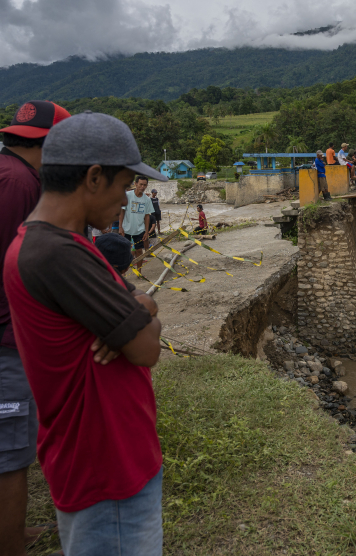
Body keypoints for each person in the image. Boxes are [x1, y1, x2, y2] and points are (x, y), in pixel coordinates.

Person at [3, 111, 165, 556]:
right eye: (124, 183)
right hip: (106, 470)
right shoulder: (57, 255)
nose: (127, 197)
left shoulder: (70, 244)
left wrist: (140, 310)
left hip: (114, 460)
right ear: (95, 177)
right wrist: (138, 316)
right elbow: (148, 347)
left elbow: (143, 304)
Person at [0, 100, 71, 556]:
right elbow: (20, 258)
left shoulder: (9, 173)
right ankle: (11, 544)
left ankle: (15, 530)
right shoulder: (19, 183)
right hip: (7, 335)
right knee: (11, 455)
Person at [119, 175, 153, 270]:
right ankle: (123, 273)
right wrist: (120, 227)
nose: (142, 187)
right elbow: (122, 211)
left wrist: (146, 232)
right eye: (141, 184)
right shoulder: (127, 195)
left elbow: (147, 216)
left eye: (145, 185)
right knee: (125, 251)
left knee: (139, 250)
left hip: (139, 229)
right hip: (126, 229)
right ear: (135, 184)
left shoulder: (147, 200)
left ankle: (139, 272)